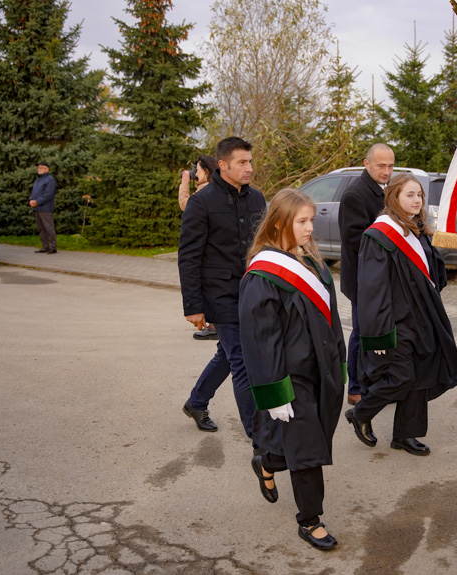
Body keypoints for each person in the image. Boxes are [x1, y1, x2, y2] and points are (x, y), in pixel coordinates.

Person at [239, 188, 346, 551]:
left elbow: (331, 321)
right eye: (302, 221)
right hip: (289, 376)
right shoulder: (264, 273)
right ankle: (310, 520)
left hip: (320, 370)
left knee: (301, 443)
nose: (309, 228)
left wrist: (341, 363)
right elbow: (259, 338)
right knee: (307, 448)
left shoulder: (312, 264)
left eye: (311, 220)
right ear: (280, 222)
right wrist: (273, 390)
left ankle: (267, 462)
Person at [344, 174, 457, 456]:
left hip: (421, 317)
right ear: (393, 197)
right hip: (396, 322)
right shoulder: (379, 235)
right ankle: (360, 413)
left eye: (419, 195)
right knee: (401, 377)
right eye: (409, 195)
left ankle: (404, 435)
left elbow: (433, 274)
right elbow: (373, 291)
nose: (416, 200)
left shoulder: (416, 229)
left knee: (420, 375)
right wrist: (379, 336)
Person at [178, 137, 266, 438]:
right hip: (219, 294)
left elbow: (263, 246)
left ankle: (196, 401)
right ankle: (259, 439)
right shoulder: (201, 202)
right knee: (241, 360)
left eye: (250, 161)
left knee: (228, 355)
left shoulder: (257, 199)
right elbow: (189, 256)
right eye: (242, 162)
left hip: (252, 291)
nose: (249, 168)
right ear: (223, 165)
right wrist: (194, 306)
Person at [338, 143, 395, 406]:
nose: (386, 171)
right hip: (363, 279)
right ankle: (356, 387)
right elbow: (355, 239)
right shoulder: (356, 194)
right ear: (367, 163)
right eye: (381, 165)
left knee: (377, 330)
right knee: (362, 332)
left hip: (378, 278)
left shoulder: (383, 191)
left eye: (390, 166)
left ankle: (374, 380)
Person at [178, 154, 219, 341]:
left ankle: (213, 325)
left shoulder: (202, 193)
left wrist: (184, 182)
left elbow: (184, 205)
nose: (196, 173)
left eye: (198, 170)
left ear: (206, 172)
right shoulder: (218, 190)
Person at [29, 161, 57, 254]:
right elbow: (34, 192)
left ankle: (53, 247)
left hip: (45, 207)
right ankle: (45, 247)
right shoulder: (38, 180)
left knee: (48, 227)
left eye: (41, 168)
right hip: (37, 207)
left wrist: (37, 201)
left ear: (47, 169)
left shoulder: (50, 179)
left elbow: (48, 194)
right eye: (38, 168)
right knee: (41, 228)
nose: (39, 169)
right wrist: (31, 200)